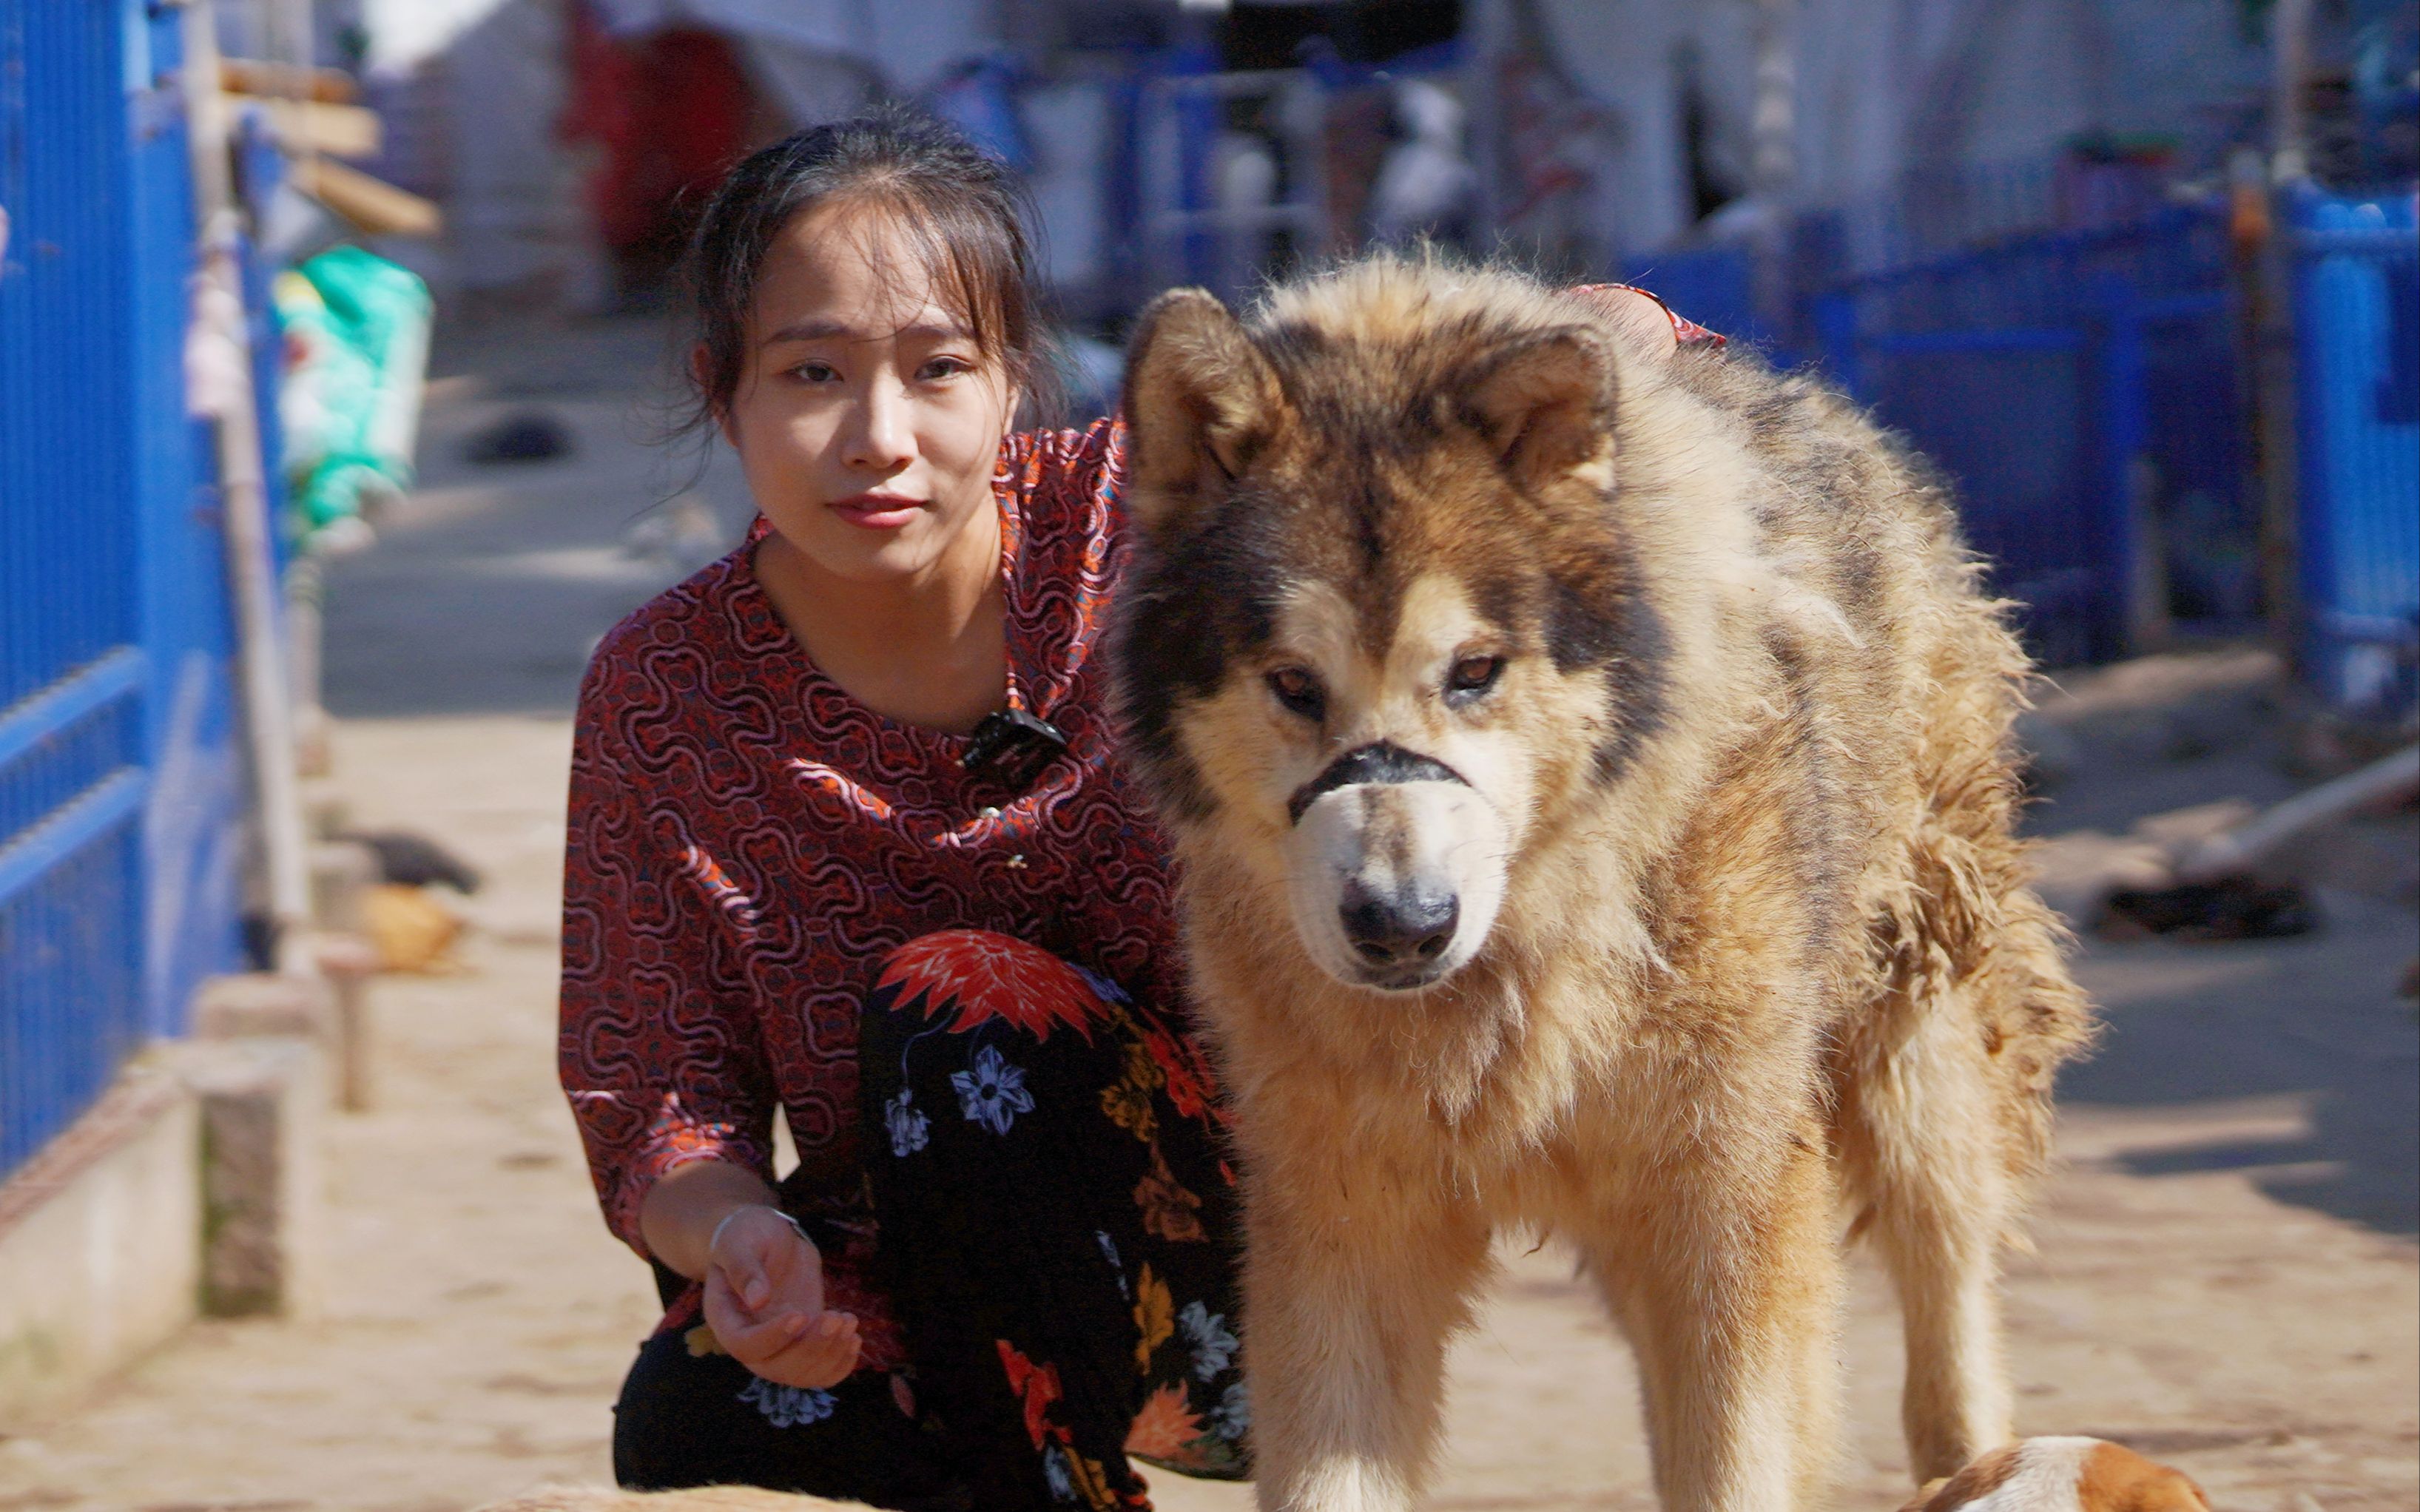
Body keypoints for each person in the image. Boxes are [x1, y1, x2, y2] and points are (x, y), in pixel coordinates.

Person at [559, 108, 1706, 1511]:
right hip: (933, 1283)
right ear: (720, 390)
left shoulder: (1180, 532)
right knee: (708, 1398)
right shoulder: (663, 691)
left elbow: (1545, 393)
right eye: (810, 373)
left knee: (958, 1005)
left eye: (938, 370)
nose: (878, 437)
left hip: (1282, 1233)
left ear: (1016, 378)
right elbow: (658, 1097)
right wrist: (739, 1239)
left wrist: (1586, 340)